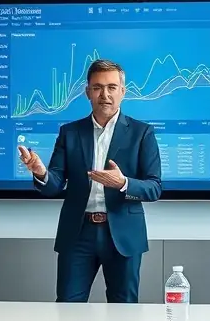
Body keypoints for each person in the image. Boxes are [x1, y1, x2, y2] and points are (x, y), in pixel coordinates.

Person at [18, 59, 162, 303]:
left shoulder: (142, 132)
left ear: (123, 92)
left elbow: (154, 187)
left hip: (123, 236)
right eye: (97, 87)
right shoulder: (70, 132)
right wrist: (41, 172)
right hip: (77, 234)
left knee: (124, 310)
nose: (104, 94)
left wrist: (123, 183)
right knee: (67, 307)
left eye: (111, 87)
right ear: (87, 92)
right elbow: (53, 186)